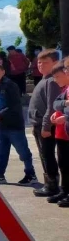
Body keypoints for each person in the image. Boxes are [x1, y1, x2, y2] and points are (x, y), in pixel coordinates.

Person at [0, 61, 36, 185]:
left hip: (14, 125)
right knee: (1, 151)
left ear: (3, 72)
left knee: (23, 151)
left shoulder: (10, 85)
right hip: (1, 126)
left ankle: (30, 174)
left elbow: (14, 106)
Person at [28, 49, 61, 197]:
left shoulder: (52, 81)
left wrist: (46, 126)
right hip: (39, 124)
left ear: (55, 62)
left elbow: (51, 105)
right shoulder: (44, 80)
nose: (40, 65)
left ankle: (52, 185)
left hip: (46, 125)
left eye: (45, 62)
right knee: (44, 155)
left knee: (47, 155)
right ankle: (49, 183)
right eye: (39, 62)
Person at [50, 61, 69, 206]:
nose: (55, 80)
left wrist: (66, 117)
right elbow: (56, 103)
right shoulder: (65, 90)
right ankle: (65, 190)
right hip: (62, 134)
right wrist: (64, 105)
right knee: (63, 164)